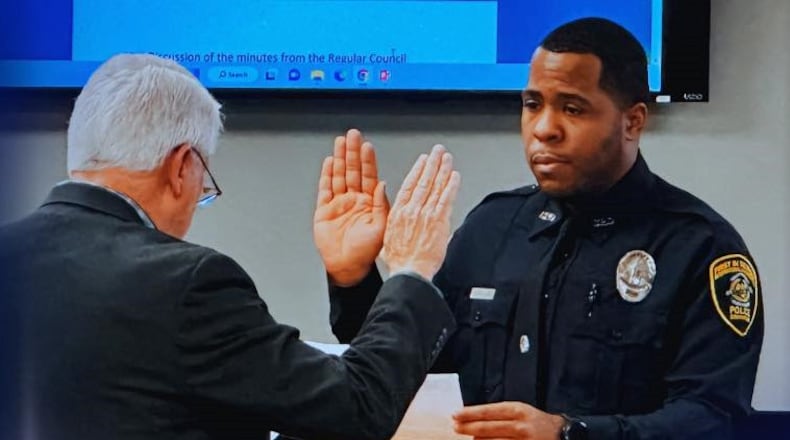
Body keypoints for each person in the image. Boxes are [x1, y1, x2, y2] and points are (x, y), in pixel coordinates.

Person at [318, 18, 764, 439]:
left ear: (632, 121)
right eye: (533, 105)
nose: (544, 129)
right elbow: (407, 373)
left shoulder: (699, 247)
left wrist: (569, 434)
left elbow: (713, 418)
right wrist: (354, 281)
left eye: (572, 108)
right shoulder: (491, 228)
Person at [0, 53, 463, 440]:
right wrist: (409, 271)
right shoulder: (185, 284)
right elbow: (359, 408)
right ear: (183, 166)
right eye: (206, 182)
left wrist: (352, 282)